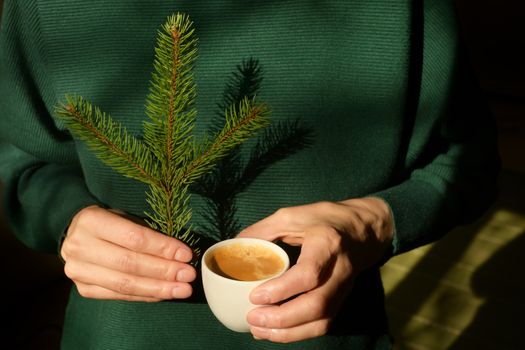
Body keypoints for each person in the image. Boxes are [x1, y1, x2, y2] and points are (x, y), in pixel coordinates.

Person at [0, 1, 499, 349]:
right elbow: (18, 157)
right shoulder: (50, 8)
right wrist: (66, 216)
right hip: (115, 337)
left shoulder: (403, 11)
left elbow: (467, 162)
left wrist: (373, 223)